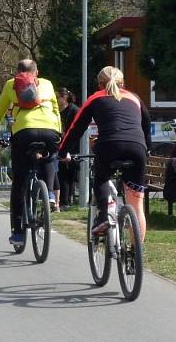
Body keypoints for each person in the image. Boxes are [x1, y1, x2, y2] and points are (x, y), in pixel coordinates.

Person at [58, 66, 151, 241]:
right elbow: (146, 127)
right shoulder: (135, 98)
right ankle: (135, 256)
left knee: (101, 178)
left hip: (109, 145)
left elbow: (75, 129)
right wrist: (148, 149)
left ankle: (103, 216)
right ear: (123, 83)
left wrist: (63, 151)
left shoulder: (95, 98)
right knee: (137, 206)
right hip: (137, 148)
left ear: (100, 85)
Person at [0, 59, 61, 245]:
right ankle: (50, 194)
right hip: (50, 130)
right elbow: (56, 110)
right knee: (49, 157)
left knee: (19, 180)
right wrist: (59, 135)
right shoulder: (47, 84)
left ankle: (18, 232)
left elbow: (0, 112)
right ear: (37, 72)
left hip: (24, 132)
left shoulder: (11, 84)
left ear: (17, 73)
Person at [57, 88, 79, 209]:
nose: (56, 100)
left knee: (69, 173)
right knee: (63, 172)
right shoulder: (60, 111)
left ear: (64, 98)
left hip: (72, 144)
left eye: (58, 97)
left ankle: (67, 200)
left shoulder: (73, 110)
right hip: (62, 143)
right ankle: (65, 200)